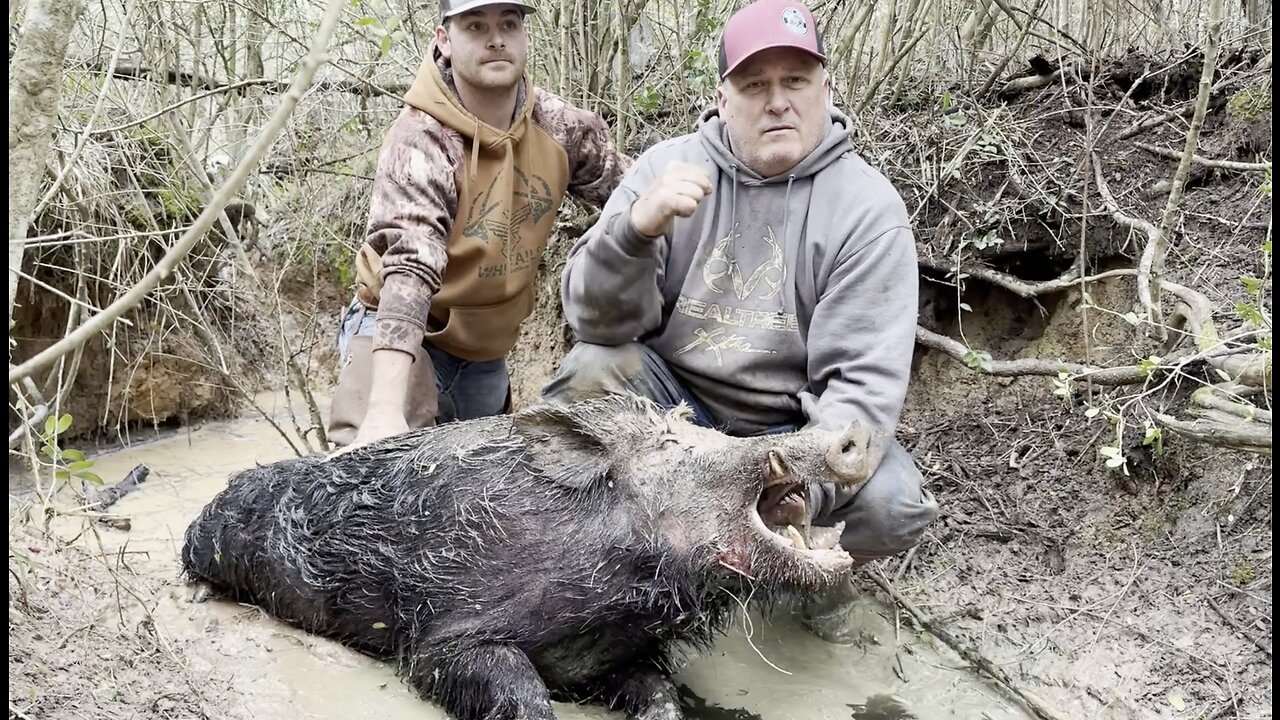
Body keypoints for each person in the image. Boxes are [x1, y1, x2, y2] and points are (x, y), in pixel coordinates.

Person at [540, 0, 939, 635]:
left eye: (796, 82)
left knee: (893, 504)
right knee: (593, 371)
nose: (776, 101)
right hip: (674, 412)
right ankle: (599, 560)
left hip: (787, 434)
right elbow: (593, 321)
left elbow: (860, 394)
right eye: (755, 85)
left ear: (825, 89)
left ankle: (795, 572)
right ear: (724, 99)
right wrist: (632, 235)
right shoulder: (665, 170)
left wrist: (794, 492)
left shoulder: (867, 211)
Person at [327, 0, 633, 449]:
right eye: (476, 25)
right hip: (399, 332)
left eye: (509, 23)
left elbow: (632, 190)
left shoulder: (561, 127)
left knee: (477, 496)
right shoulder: (421, 138)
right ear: (444, 40)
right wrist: (383, 413)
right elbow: (411, 265)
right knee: (372, 475)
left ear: (525, 36)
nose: (496, 38)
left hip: (484, 346)